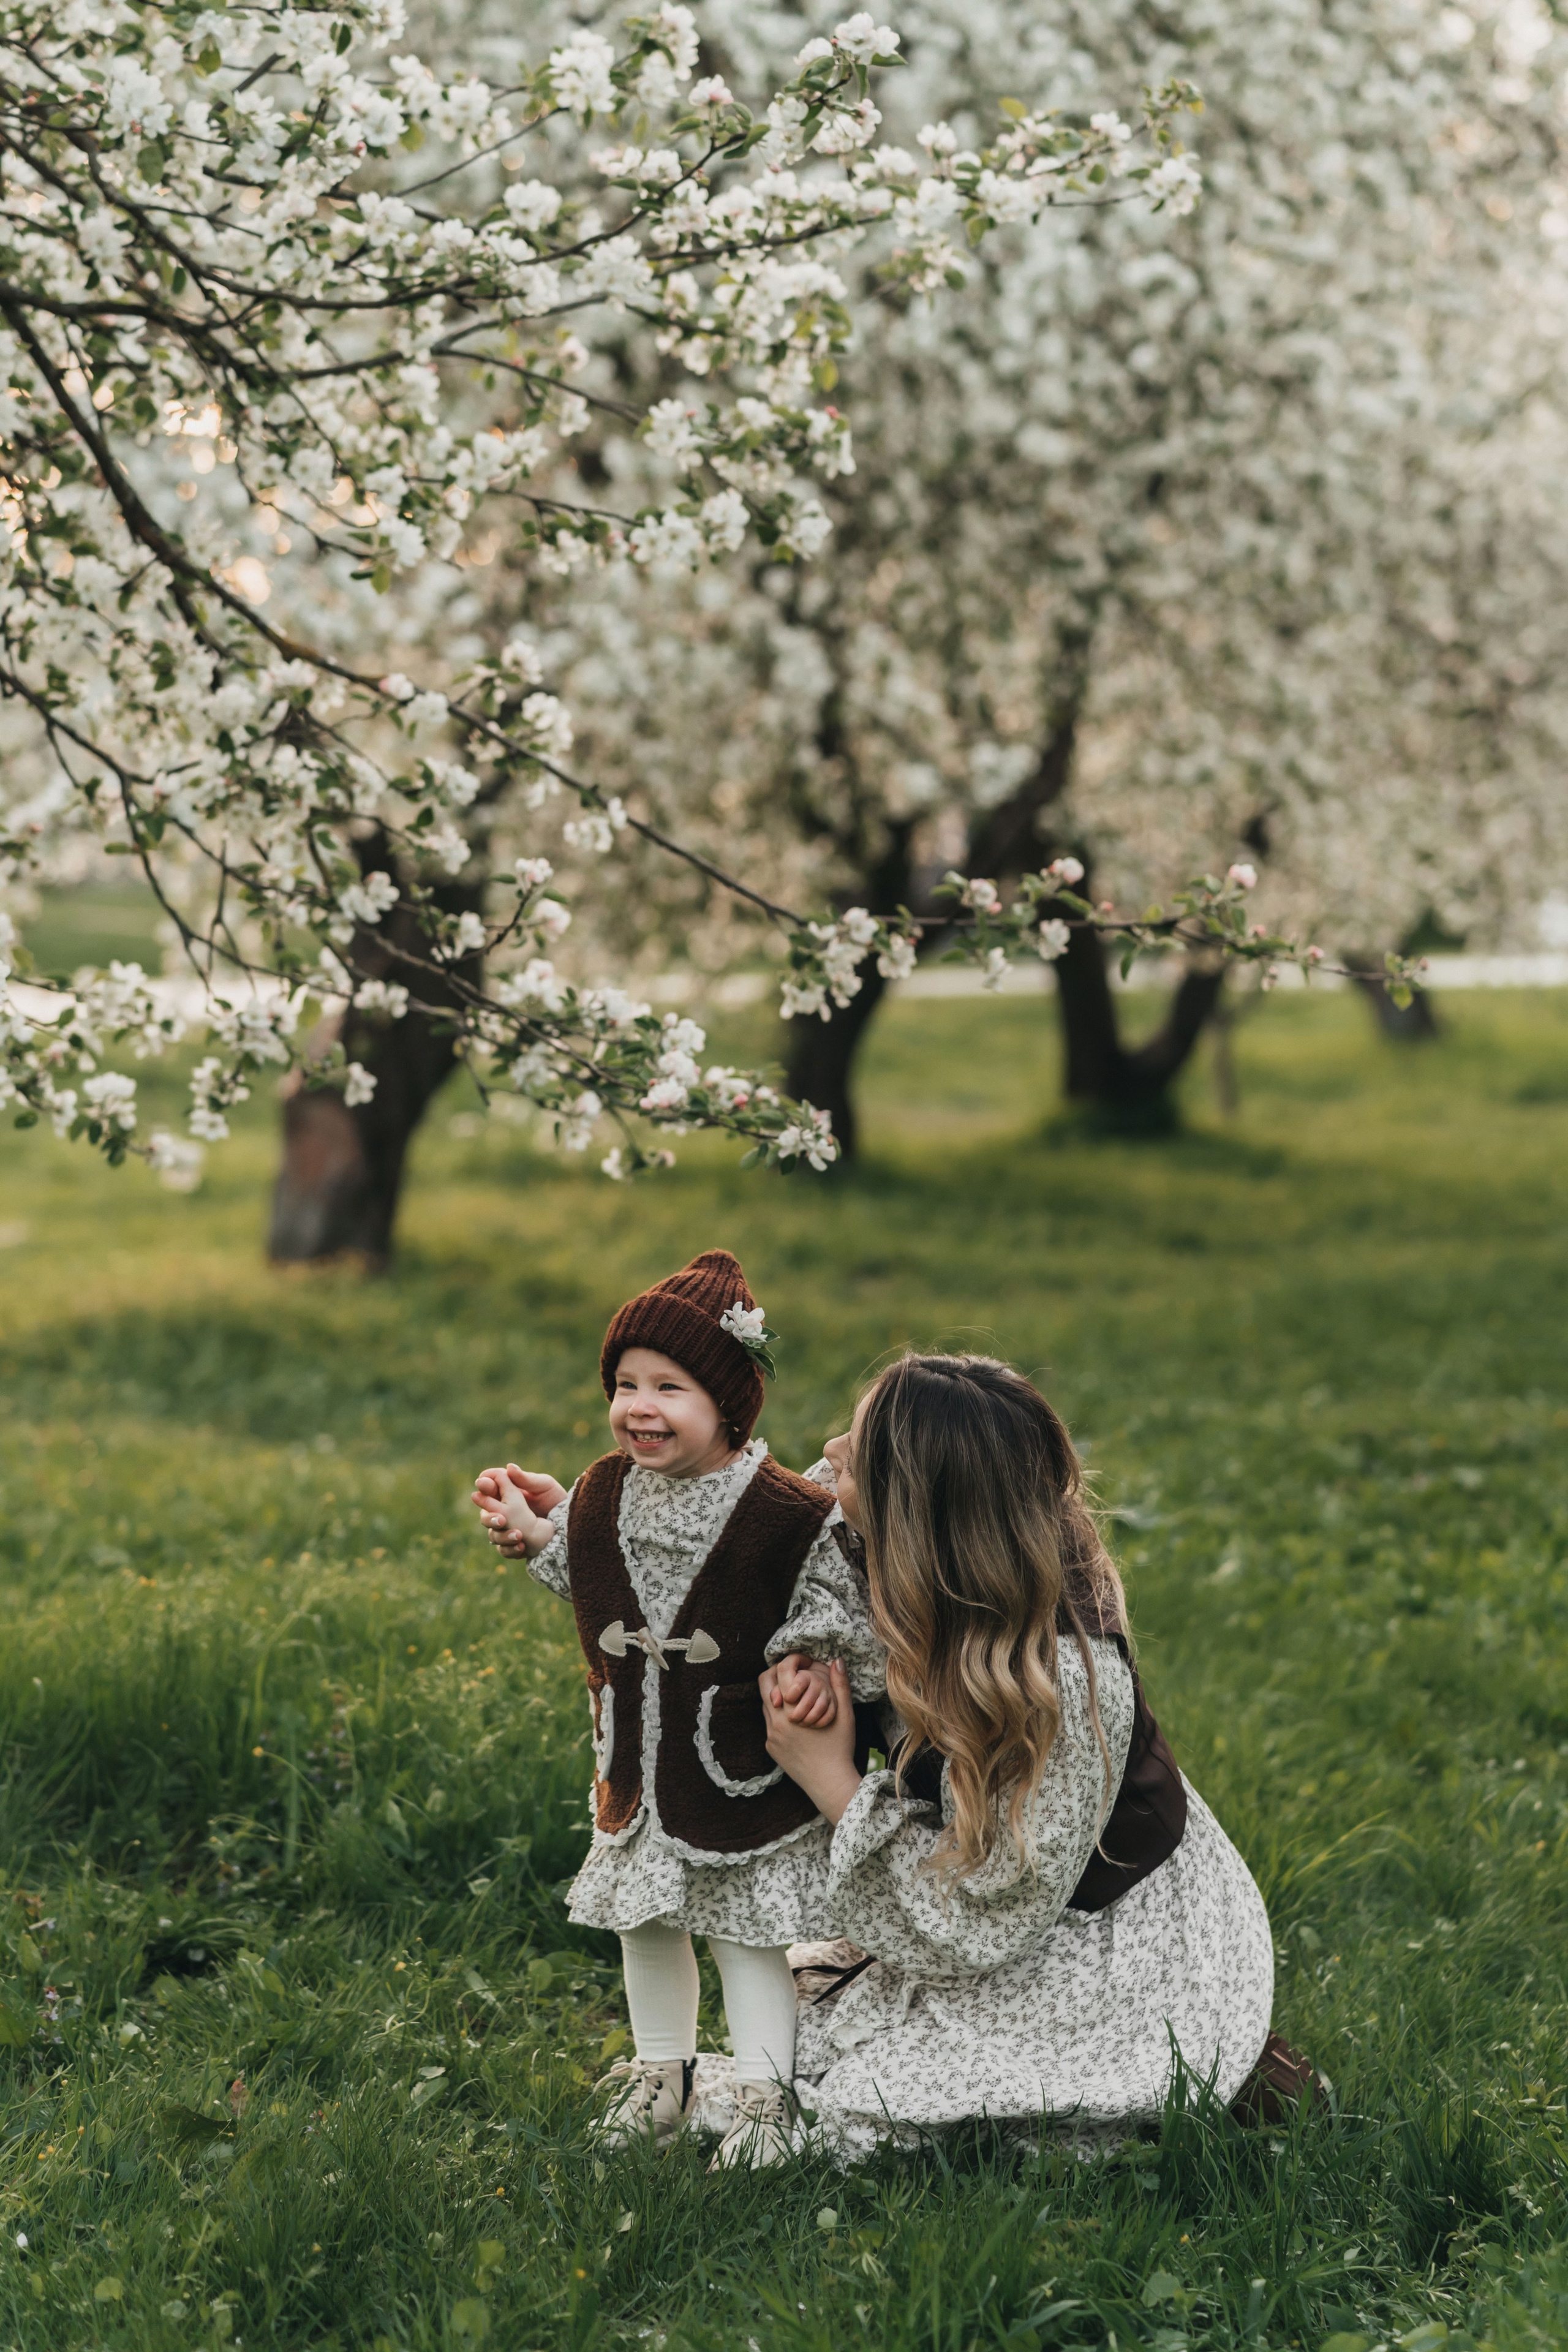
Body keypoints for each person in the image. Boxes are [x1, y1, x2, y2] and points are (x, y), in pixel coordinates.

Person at [758, 1352, 1280, 2163]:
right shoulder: (893, 1533)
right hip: (968, 1867)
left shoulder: (1067, 1679)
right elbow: (767, 1548)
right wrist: (802, 1654)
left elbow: (986, 1920)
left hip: (1074, 1919)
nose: (826, 1452)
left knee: (874, 2107)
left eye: (854, 1456)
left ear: (918, 1522)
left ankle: (1215, 2062)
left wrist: (828, 1776)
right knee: (793, 2031)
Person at [471, 1249, 884, 2167]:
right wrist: (540, 1533)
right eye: (625, 1384)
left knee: (745, 1935)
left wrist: (811, 1659)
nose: (639, 1408)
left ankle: (769, 2100)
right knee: (647, 1926)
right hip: (639, 1765)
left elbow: (834, 1606)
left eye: (670, 1387)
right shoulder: (608, 1490)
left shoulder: (787, 1512)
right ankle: (666, 2073)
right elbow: (599, 1583)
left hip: (735, 1766)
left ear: (730, 1404)